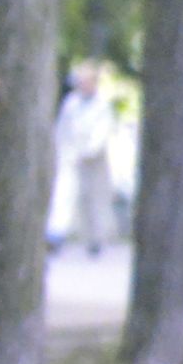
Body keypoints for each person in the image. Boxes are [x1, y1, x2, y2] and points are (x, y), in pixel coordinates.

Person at [52, 60, 121, 253]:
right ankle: (57, 234)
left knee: (95, 199)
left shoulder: (102, 104)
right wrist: (64, 150)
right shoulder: (72, 103)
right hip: (72, 156)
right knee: (65, 193)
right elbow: (62, 129)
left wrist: (90, 150)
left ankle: (96, 237)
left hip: (95, 160)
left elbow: (103, 130)